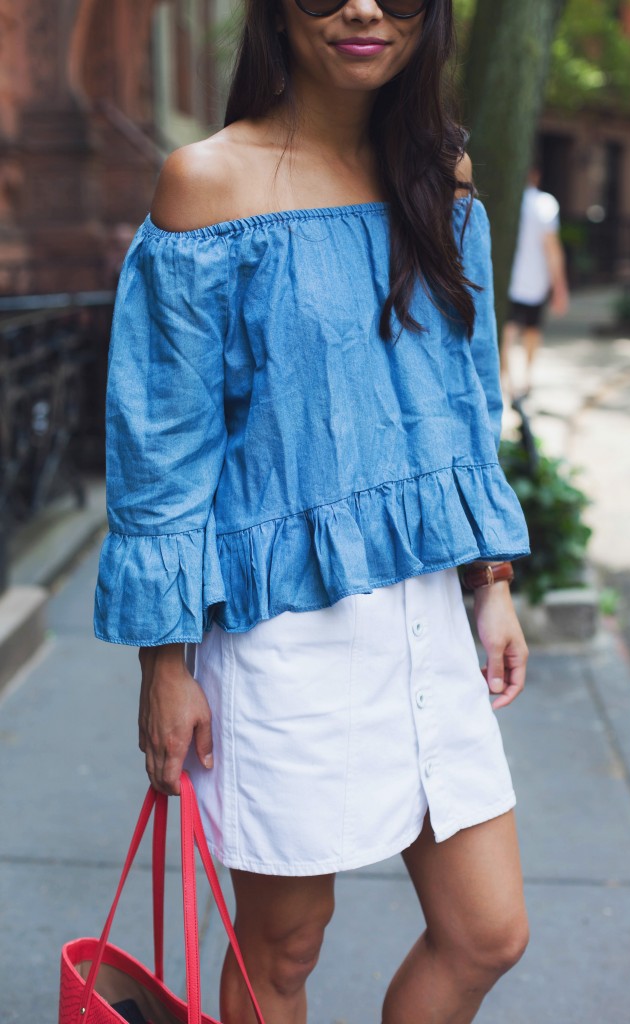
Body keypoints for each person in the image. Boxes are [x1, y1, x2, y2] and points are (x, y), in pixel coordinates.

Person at [93, 0, 532, 1020]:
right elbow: (162, 446)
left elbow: (462, 399)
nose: (364, 7)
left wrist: (490, 579)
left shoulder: (442, 179)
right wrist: (164, 663)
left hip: (424, 608)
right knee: (281, 952)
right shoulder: (208, 183)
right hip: (279, 626)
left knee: (485, 930)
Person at [501, 164, 569, 398]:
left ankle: (505, 379)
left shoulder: (505, 203)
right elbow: (552, 247)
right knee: (531, 330)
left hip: (508, 280)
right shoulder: (545, 203)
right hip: (535, 280)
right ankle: (526, 379)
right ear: (536, 175)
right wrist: (559, 285)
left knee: (507, 329)